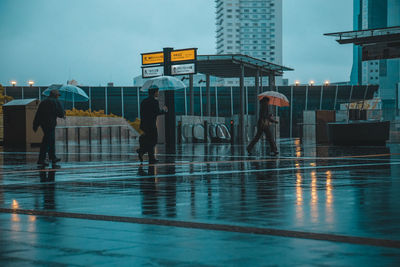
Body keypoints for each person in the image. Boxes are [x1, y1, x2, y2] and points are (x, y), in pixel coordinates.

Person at [33, 89, 65, 166]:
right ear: (55, 95)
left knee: (50, 140)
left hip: (43, 124)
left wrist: (35, 125)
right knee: (47, 141)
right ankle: (41, 159)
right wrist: (63, 114)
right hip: (51, 124)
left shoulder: (43, 102)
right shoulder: (56, 102)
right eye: (58, 95)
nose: (58, 97)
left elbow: (38, 114)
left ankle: (52, 157)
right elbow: (60, 113)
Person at [137, 85, 168, 164]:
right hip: (151, 124)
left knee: (149, 141)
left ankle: (151, 158)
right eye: (157, 91)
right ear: (154, 92)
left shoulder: (143, 101)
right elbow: (156, 112)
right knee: (153, 141)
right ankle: (141, 151)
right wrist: (164, 110)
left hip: (144, 124)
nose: (158, 93)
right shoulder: (154, 101)